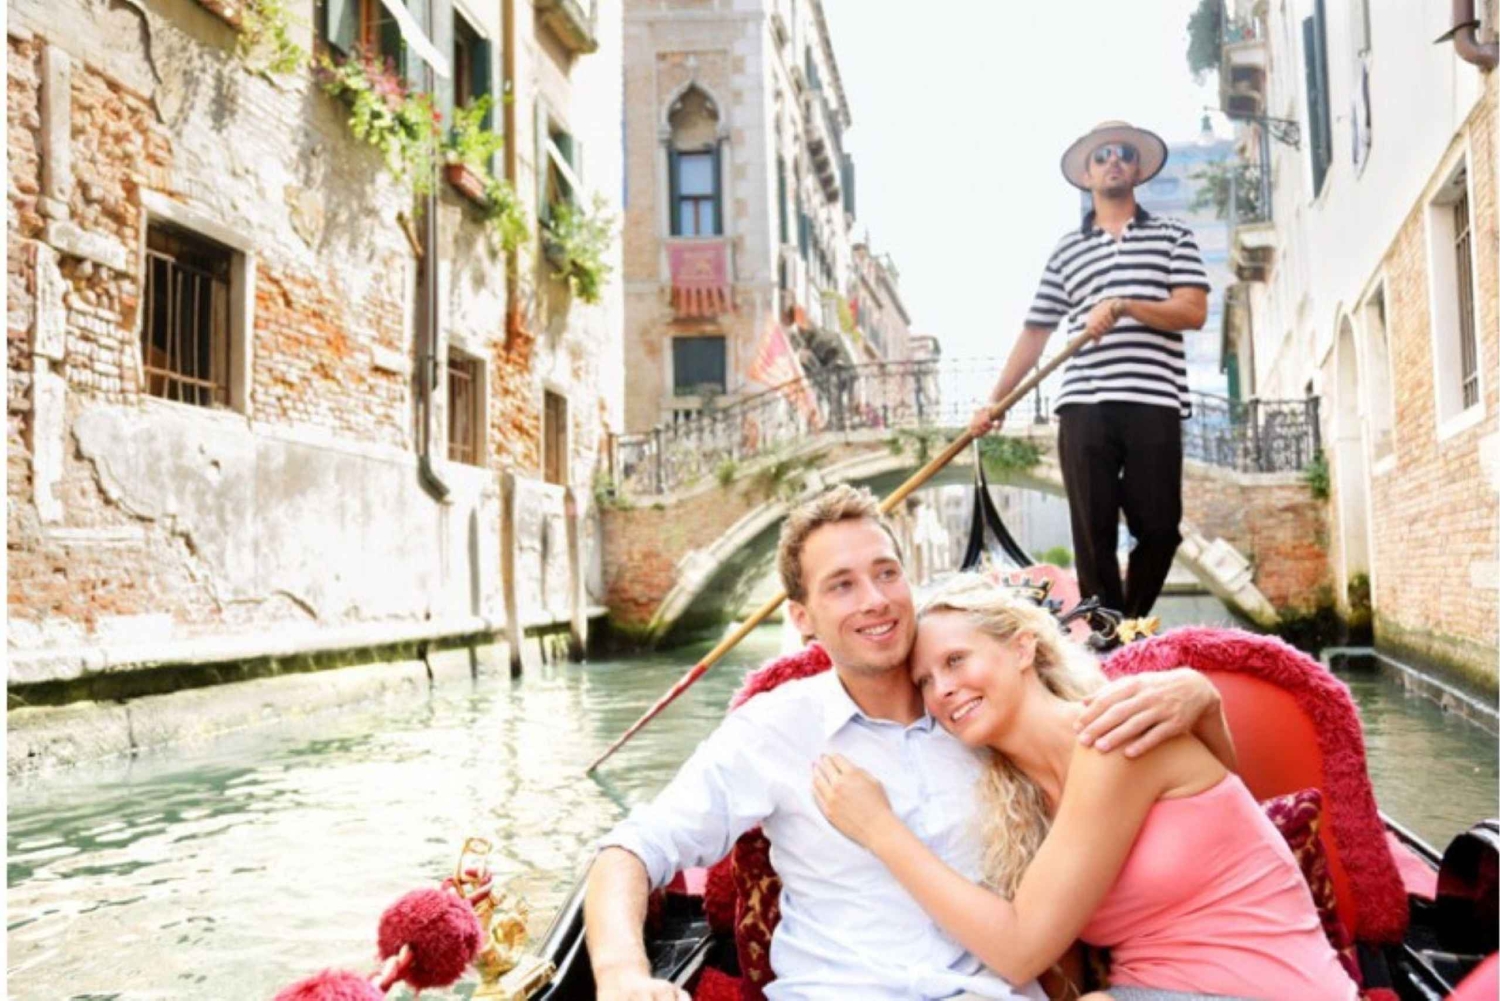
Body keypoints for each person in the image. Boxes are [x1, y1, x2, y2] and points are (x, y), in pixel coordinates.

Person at [585, 485, 1233, 1001]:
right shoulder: (774, 728)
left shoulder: (986, 707)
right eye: (842, 584)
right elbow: (633, 847)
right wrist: (619, 972)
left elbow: (1182, 803)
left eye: (886, 572)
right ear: (803, 619)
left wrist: (1200, 696)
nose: (875, 600)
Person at [813, 573, 1360, 1001]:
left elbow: (1019, 948)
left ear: (1024, 649)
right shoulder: (1019, 800)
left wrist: (880, 831)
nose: (944, 690)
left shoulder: (1113, 736)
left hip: (1267, 990)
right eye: (925, 682)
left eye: (956, 660)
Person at [970, 121, 1210, 620]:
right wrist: (995, 402)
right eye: (1101, 156)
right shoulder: (1066, 250)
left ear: (1138, 168)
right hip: (1084, 403)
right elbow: (1035, 333)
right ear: (1087, 173)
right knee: (1092, 528)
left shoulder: (1173, 236)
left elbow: (1192, 310)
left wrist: (1124, 305)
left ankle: (1131, 621)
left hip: (1154, 400)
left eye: (1122, 153)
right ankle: (1107, 631)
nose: (1113, 161)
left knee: (1161, 527)